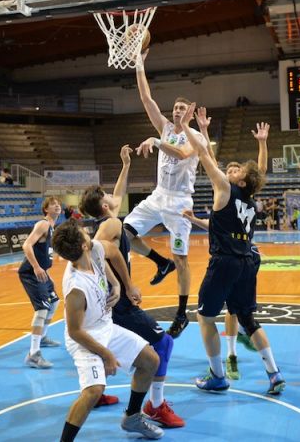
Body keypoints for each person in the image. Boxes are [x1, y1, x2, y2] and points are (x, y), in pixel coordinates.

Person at [179, 103, 284, 395]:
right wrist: (262, 144)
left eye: (237, 169)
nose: (232, 170)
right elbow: (260, 170)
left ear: (239, 178)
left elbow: (203, 155)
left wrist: (188, 127)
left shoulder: (225, 190)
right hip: (248, 261)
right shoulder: (250, 196)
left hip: (225, 262)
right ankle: (274, 374)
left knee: (204, 318)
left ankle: (217, 375)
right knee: (249, 320)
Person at [80, 145, 184, 428]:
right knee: (163, 344)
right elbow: (92, 250)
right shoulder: (111, 225)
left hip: (109, 303)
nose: (113, 197)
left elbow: (118, 194)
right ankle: (155, 405)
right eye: (107, 197)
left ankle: (97, 392)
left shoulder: (111, 220)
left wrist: (125, 165)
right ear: (104, 206)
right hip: (120, 305)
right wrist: (123, 285)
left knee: (113, 348)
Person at [52, 220, 164, 442]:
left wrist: (122, 284)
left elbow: (112, 253)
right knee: (94, 390)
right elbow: (75, 332)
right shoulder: (76, 289)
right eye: (84, 233)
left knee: (150, 360)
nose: (88, 233)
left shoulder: (93, 249)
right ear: (83, 246)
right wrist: (107, 355)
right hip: (86, 337)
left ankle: (132, 417)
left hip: (106, 327)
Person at [124, 50, 206, 338]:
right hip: (158, 195)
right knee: (124, 233)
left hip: (180, 202)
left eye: (182, 109)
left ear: (190, 113)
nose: (176, 111)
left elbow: (184, 153)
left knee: (182, 258)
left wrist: (157, 141)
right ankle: (160, 263)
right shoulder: (165, 127)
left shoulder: (197, 137)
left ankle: (182, 313)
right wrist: (139, 63)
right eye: (174, 108)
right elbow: (146, 98)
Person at [20, 196, 63, 369]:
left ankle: (42, 337)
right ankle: (33, 355)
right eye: (53, 204)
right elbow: (26, 245)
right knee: (42, 310)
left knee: (55, 302)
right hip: (31, 272)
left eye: (58, 204)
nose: (57, 206)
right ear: (46, 209)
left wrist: (45, 271)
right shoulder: (43, 224)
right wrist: (37, 267)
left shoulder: (52, 227)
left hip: (41, 272)